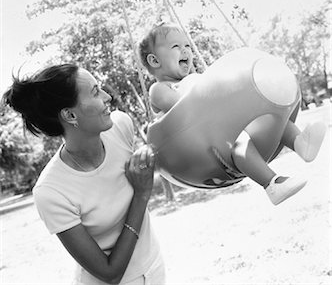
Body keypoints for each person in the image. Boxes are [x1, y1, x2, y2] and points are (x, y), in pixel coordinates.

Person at [2, 64, 165, 285]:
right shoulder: (50, 191)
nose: (108, 97)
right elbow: (110, 273)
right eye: (96, 92)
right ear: (70, 115)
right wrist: (141, 195)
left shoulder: (120, 126)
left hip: (154, 269)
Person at [138, 22, 326, 205]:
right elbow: (185, 106)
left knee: (272, 117)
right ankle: (272, 184)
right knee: (240, 143)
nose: (186, 50)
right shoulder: (159, 89)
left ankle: (301, 143)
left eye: (187, 45)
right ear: (155, 61)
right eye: (176, 46)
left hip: (223, 127)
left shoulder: (195, 78)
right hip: (206, 147)